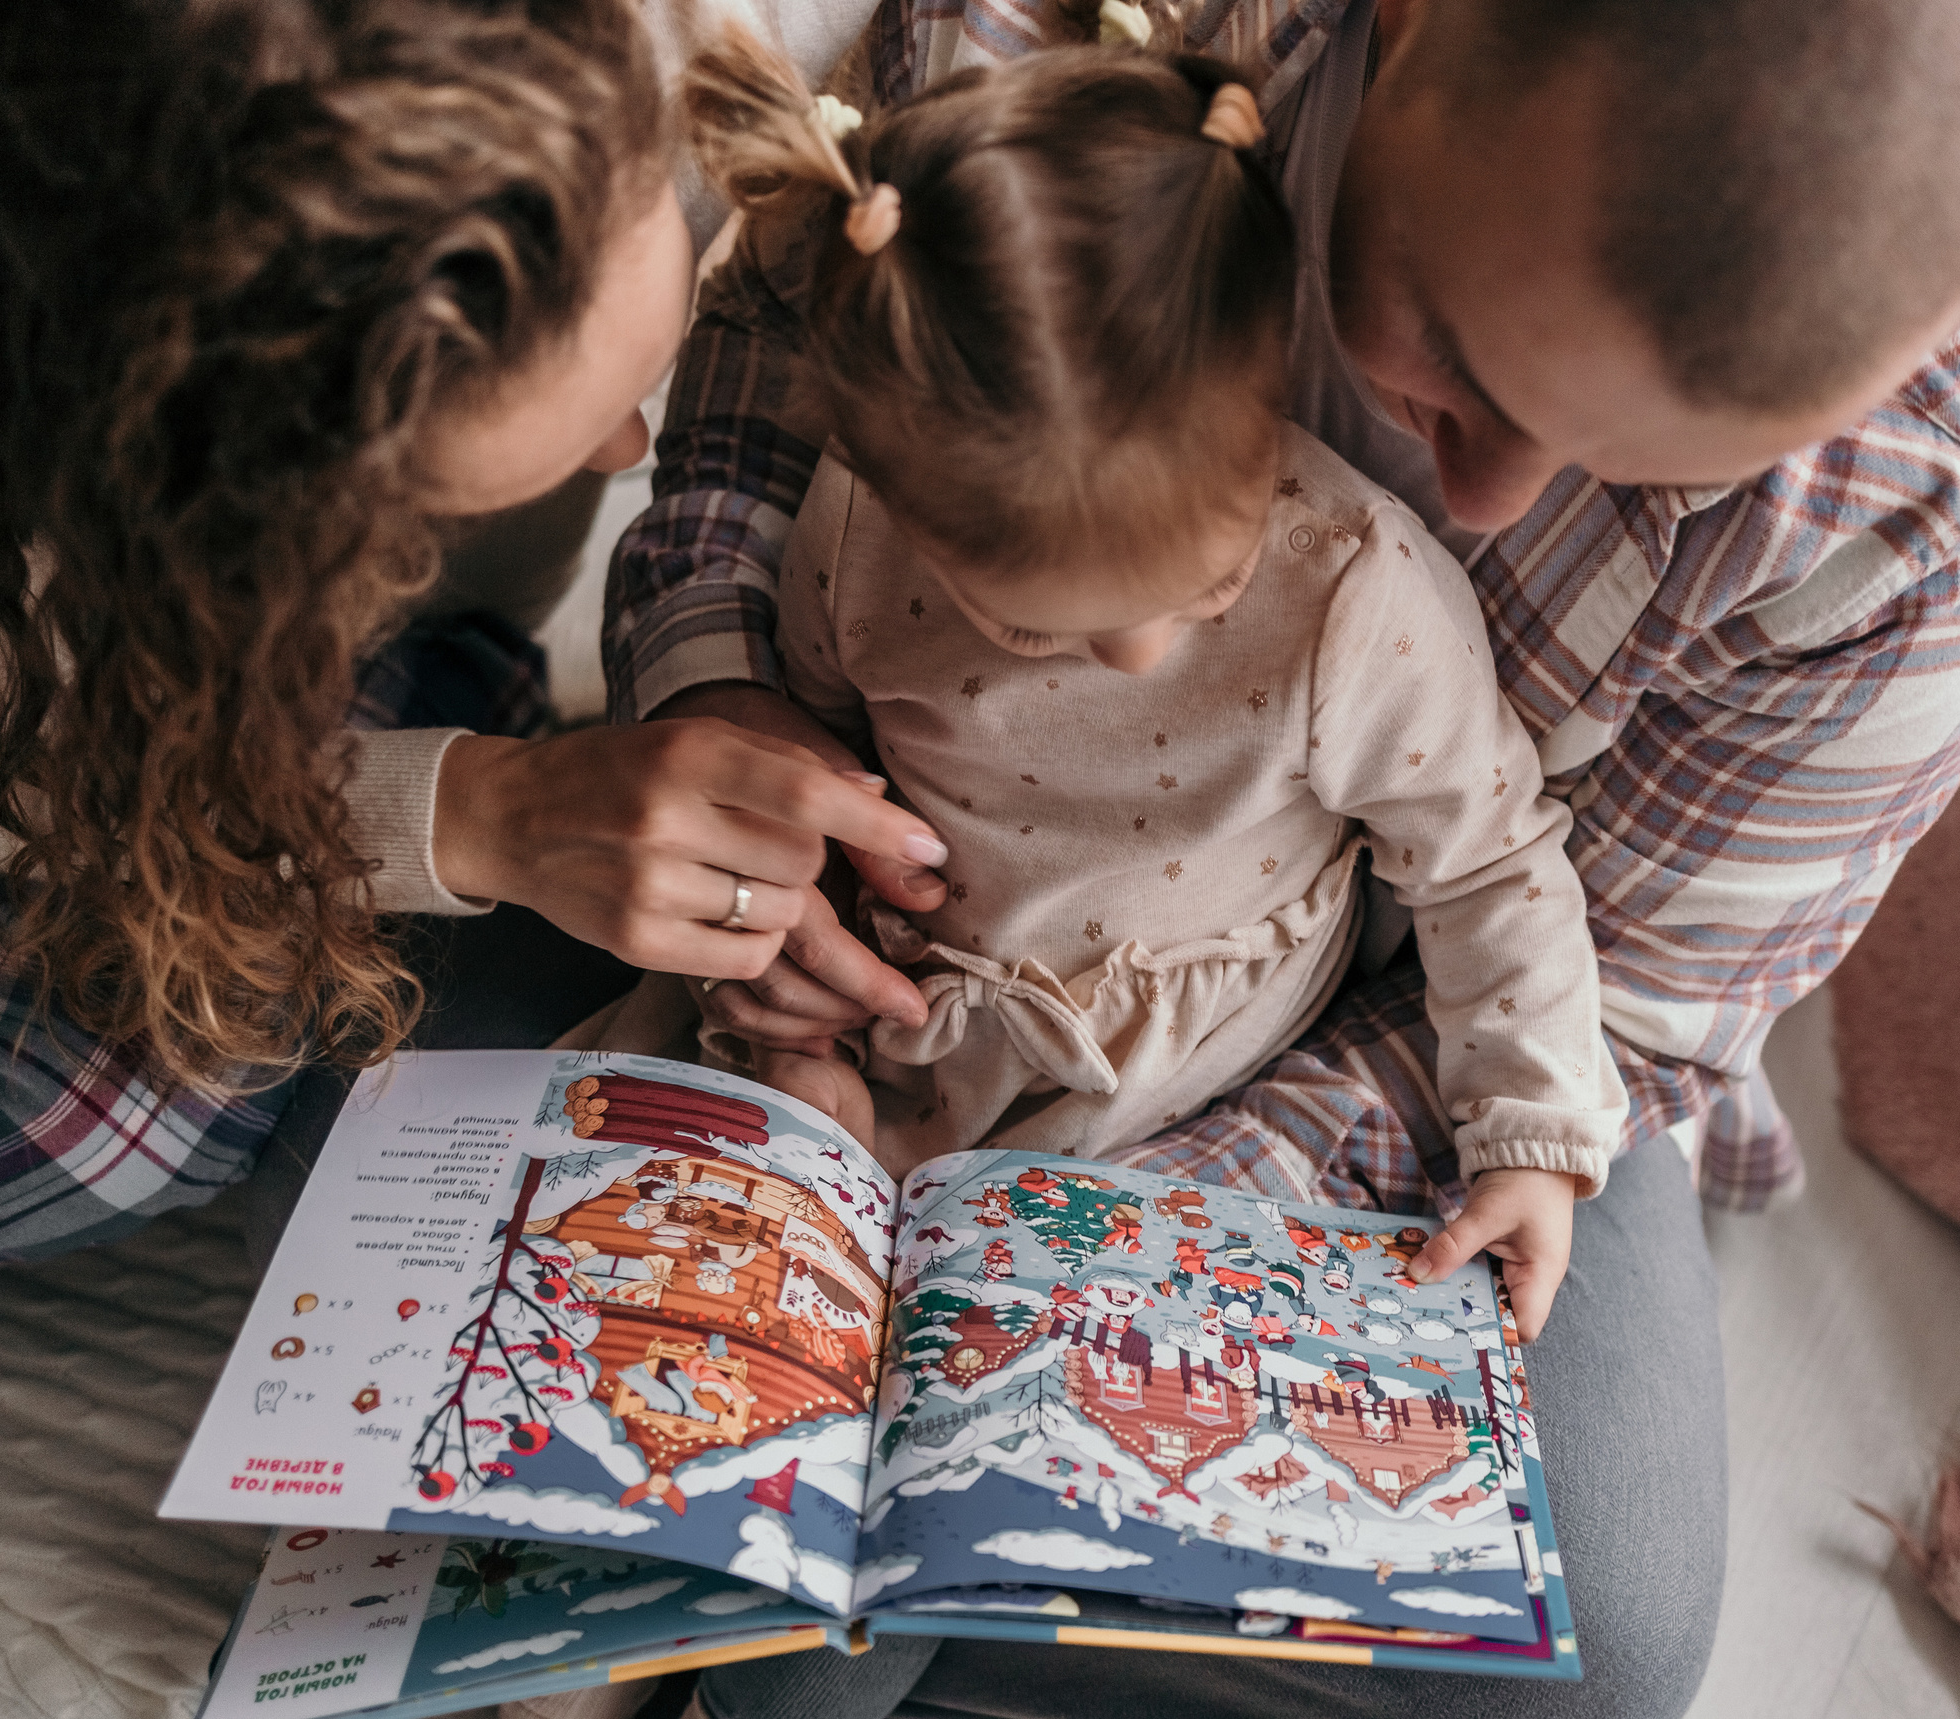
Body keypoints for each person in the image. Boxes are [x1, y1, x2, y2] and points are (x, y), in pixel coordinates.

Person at [598, 0, 1960, 1711]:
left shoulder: (1941, 479)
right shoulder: (1073, 47)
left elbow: (1597, 978)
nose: (1471, 504)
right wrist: (729, 707)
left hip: (1441, 1019)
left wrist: (1083, 1239)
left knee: (1594, 1641)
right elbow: (800, 356)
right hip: (937, 935)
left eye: (1633, 473)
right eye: (1453, 352)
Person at [0, 0, 953, 1381]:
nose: (626, 454)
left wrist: (701, 674)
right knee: (157, 1066)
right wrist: (478, 815)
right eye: (423, 487)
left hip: (273, 643)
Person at [672, 32, 1624, 1335]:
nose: (1135, 656)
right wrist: (805, 985)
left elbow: (1485, 862)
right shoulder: (856, 527)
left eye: (1208, 585)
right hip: (915, 1001)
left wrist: (1526, 1134)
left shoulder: (1349, 597)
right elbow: (822, 763)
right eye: (1028, 624)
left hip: (1196, 1064)